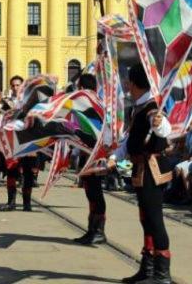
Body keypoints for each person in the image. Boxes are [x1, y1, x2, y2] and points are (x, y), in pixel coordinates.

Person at [109, 63, 173, 284]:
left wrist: (159, 123)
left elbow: (163, 128)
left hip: (152, 170)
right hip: (139, 168)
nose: (126, 83)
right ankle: (147, 269)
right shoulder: (138, 106)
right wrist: (113, 159)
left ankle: (162, 274)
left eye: (128, 80)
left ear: (133, 83)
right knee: (145, 218)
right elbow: (129, 140)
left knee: (154, 218)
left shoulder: (151, 108)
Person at [73, 73, 107, 246]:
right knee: (90, 193)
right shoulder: (84, 106)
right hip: (86, 154)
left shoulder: (95, 106)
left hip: (95, 155)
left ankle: (99, 231)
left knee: (96, 193)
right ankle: (91, 230)